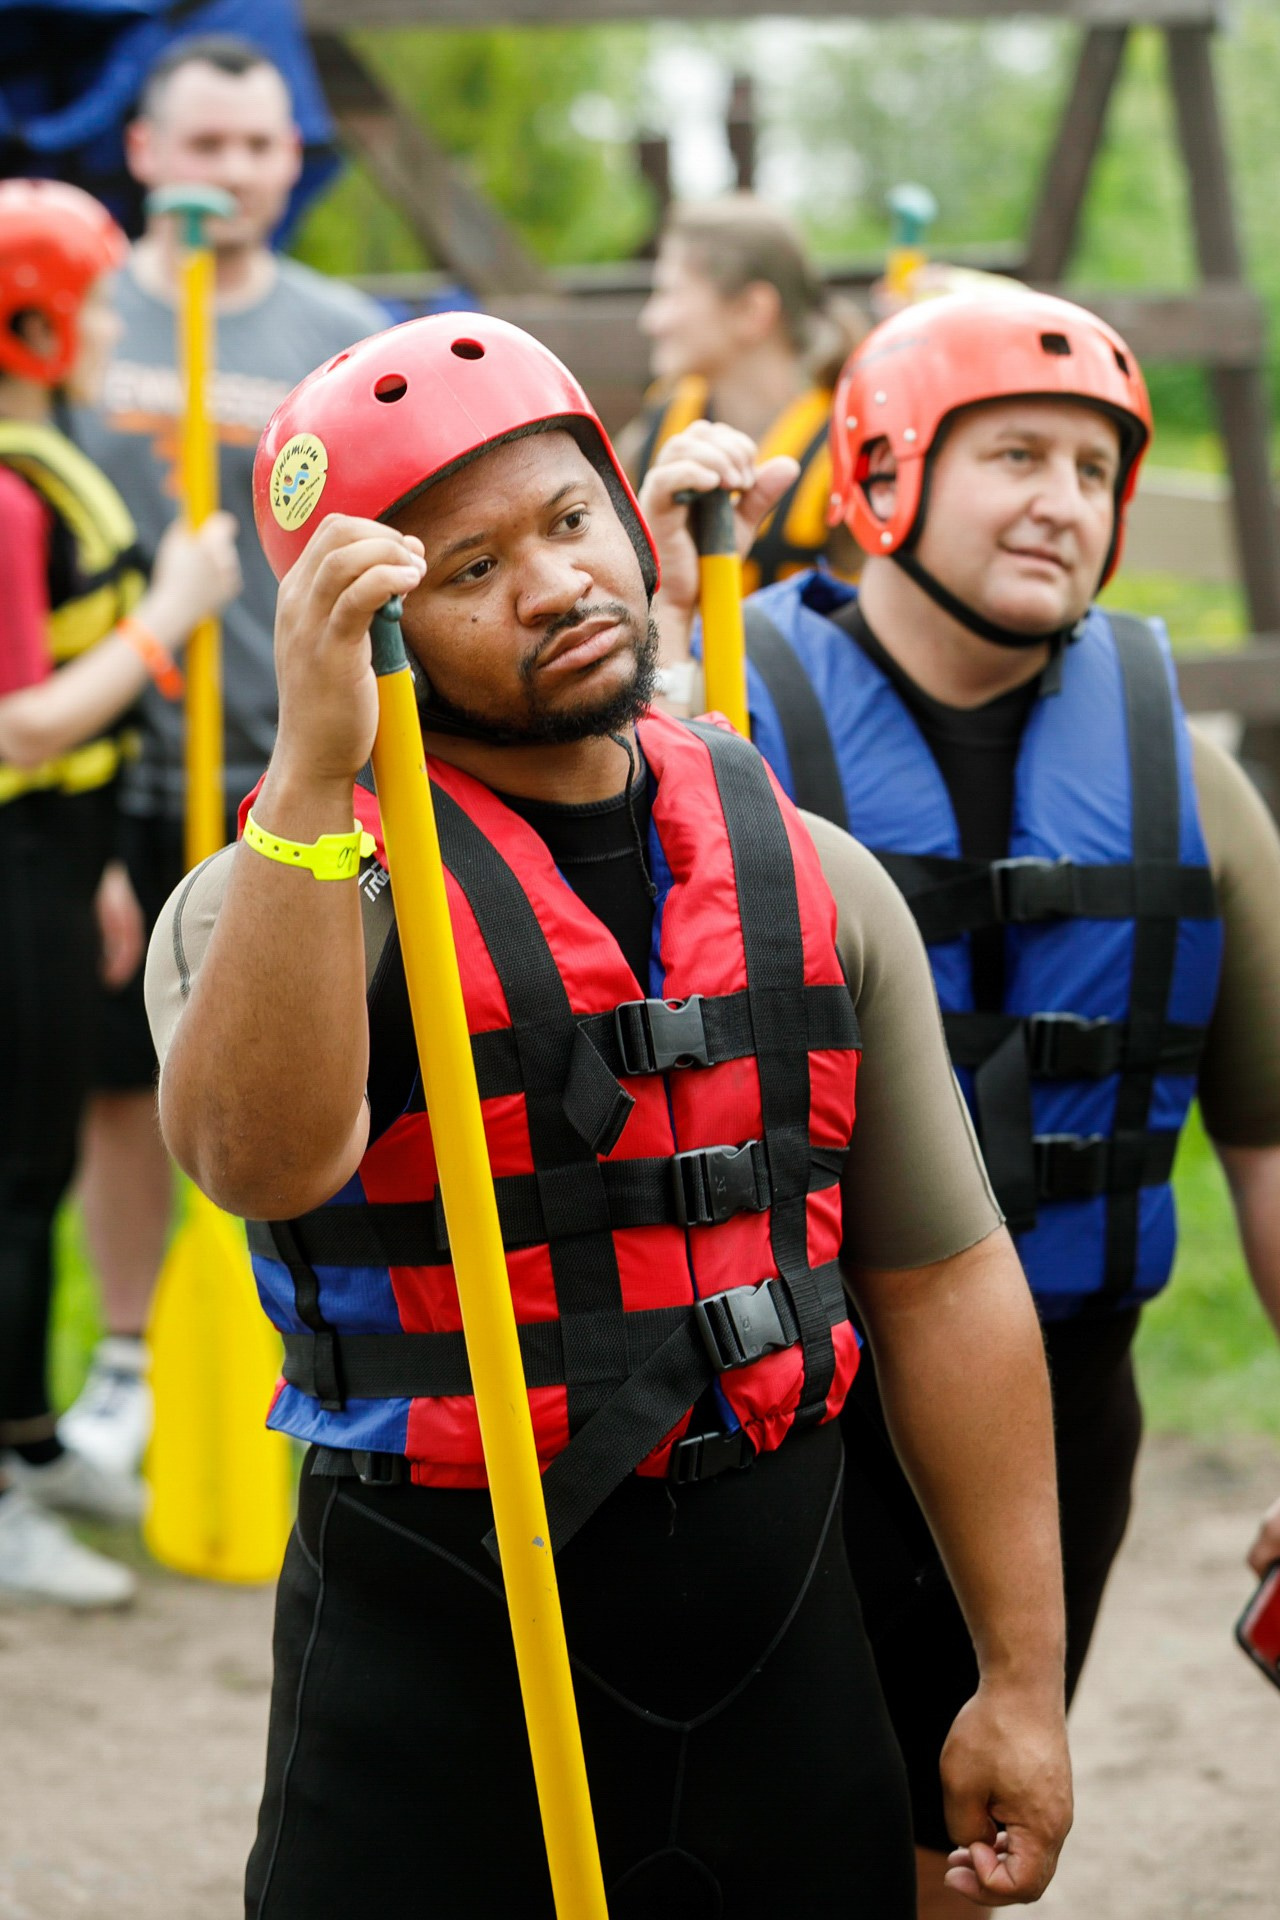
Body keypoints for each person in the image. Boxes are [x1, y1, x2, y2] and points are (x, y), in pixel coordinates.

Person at [145, 312, 1073, 1915]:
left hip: (785, 1644)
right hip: (436, 1674)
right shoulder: (269, 903)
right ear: (369, 629)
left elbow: (941, 1281)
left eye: (572, 522)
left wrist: (1021, 1678)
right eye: (467, 569)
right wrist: (309, 771)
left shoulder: (813, 879)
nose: (554, 584)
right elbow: (261, 1163)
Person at [641, 287, 1280, 1915]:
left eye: (1094, 469)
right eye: (1015, 454)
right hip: (775, 1408)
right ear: (880, 470)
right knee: (742, 1842)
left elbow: (1272, 1143)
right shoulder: (720, 707)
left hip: (1061, 1404)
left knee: (959, 1854)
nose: (1063, 500)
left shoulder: (1192, 781)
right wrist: (646, 651)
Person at [63, 33, 387, 1478]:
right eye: (207, 147)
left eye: (261, 149)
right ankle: (135, 1357)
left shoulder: (341, 331)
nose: (236, 175)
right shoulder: (64, 319)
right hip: (105, 763)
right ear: (143, 154)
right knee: (122, 1081)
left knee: (307, 1061)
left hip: (294, 765)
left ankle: (328, 1336)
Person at [0, 178, 239, 1607]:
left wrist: (95, 864)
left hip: (49, 860)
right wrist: (172, 617)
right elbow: (20, 720)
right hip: (9, 850)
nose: (108, 335)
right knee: (13, 1186)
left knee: (33, 1155)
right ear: (35, 323)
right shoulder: (11, 487)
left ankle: (30, 1441)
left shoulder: (49, 453)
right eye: (88, 309)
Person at [618, 193, 866, 592]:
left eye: (669, 293)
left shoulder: (844, 451)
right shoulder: (659, 420)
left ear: (751, 310)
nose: (651, 320)